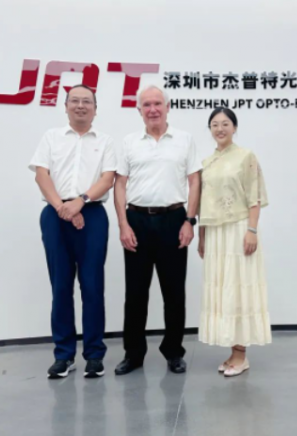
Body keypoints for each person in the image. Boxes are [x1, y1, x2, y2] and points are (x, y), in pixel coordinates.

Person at [29, 84, 117, 379]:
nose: (81, 106)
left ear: (95, 109)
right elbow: (41, 175)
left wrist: (80, 202)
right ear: (65, 106)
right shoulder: (51, 137)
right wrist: (63, 208)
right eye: (75, 101)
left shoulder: (105, 141)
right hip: (55, 215)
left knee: (92, 286)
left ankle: (94, 355)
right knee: (61, 286)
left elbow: (108, 178)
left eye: (87, 102)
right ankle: (63, 355)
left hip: (92, 214)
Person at [114, 84, 201, 375]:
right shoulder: (129, 142)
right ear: (139, 110)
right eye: (147, 105)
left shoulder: (184, 140)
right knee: (135, 294)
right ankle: (133, 354)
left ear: (167, 107)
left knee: (174, 292)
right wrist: (123, 224)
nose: (153, 109)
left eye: (157, 104)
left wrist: (189, 220)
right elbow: (120, 184)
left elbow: (195, 181)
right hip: (137, 221)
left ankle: (173, 351)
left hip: (173, 220)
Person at [197, 107, 272, 377]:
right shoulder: (206, 162)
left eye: (225, 123)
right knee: (223, 289)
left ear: (235, 127)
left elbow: (254, 197)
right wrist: (202, 237)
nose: (220, 129)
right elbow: (203, 202)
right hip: (215, 233)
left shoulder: (245, 156)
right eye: (215, 124)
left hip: (238, 229)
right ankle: (233, 352)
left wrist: (252, 229)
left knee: (238, 287)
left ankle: (241, 355)